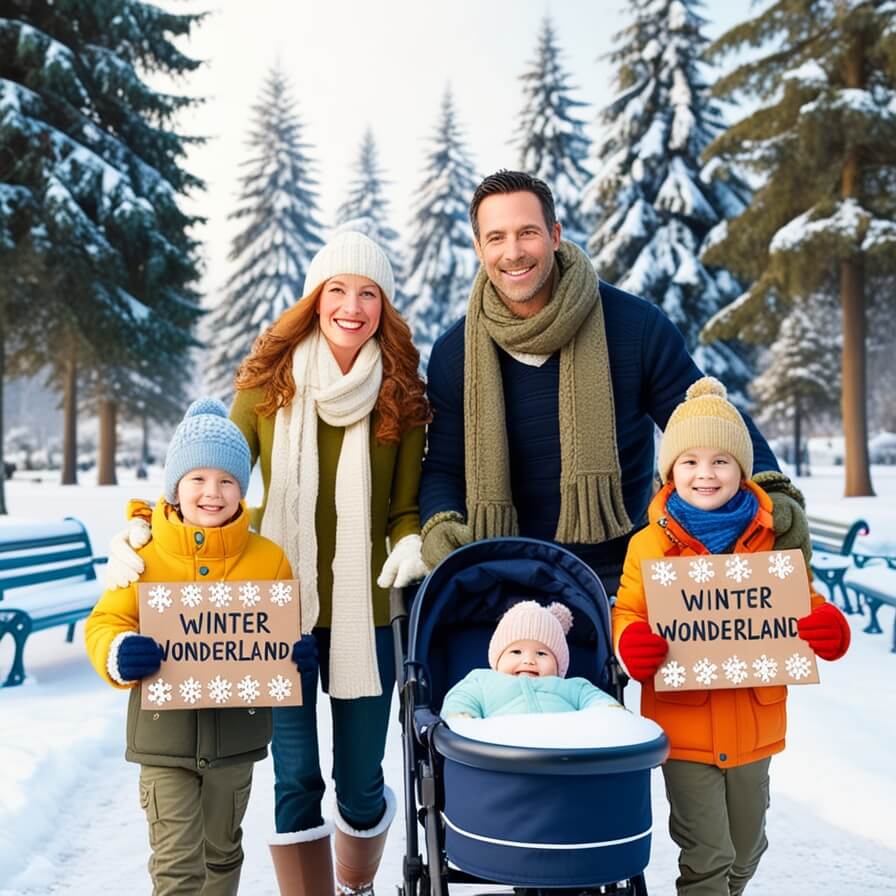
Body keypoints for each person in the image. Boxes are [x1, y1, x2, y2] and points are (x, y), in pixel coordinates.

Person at [104, 231, 431, 896]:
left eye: (367, 293)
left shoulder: (400, 396)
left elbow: (401, 510)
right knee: (295, 776)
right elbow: (210, 489)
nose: (351, 305)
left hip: (365, 613)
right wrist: (144, 527)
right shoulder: (264, 391)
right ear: (314, 301)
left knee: (361, 780)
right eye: (336, 290)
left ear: (384, 307)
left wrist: (410, 541)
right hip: (271, 612)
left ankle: (358, 883)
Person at [418, 170, 809, 596]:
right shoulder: (455, 352)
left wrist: (771, 487)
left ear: (554, 235)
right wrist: (442, 522)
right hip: (504, 572)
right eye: (496, 238)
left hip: (626, 576)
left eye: (527, 232)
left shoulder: (634, 326)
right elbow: (443, 466)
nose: (512, 252)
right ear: (479, 247)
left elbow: (707, 416)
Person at [612, 376, 850, 896]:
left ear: (741, 470)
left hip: (755, 725)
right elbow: (628, 610)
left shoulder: (769, 538)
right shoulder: (649, 545)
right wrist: (631, 640)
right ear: (670, 470)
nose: (705, 473)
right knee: (708, 854)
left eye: (720, 461)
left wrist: (826, 627)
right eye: (690, 461)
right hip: (686, 727)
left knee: (746, 849)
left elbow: (802, 604)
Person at [85, 398, 294, 896]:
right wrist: (118, 650)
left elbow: (280, 635)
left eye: (226, 481)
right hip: (164, 742)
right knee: (177, 865)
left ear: (241, 487)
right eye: (197, 478)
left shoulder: (267, 559)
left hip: (235, 743)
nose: (212, 492)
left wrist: (295, 654)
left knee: (222, 853)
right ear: (175, 485)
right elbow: (105, 621)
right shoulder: (142, 553)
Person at [441, 600, 622, 719]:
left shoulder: (574, 687)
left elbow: (596, 699)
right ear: (497, 660)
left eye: (542, 654)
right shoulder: (482, 681)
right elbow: (462, 697)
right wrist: (462, 718)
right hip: (498, 755)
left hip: (564, 756)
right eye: (516, 652)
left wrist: (608, 711)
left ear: (559, 665)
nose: (529, 660)